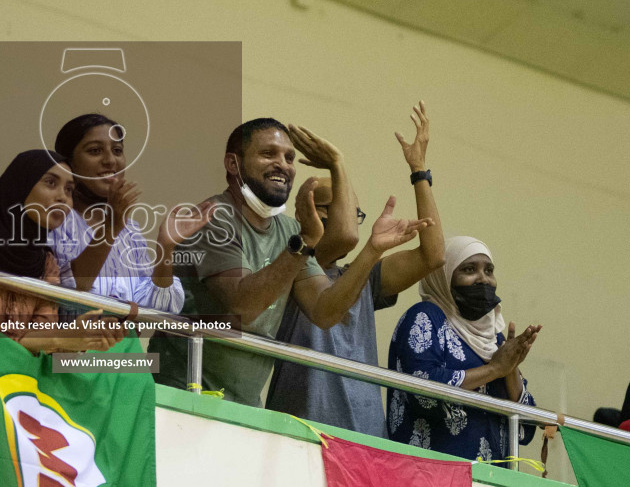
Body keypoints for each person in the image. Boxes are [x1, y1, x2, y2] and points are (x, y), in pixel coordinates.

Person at [155, 118, 430, 406]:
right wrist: (305, 242)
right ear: (233, 164)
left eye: (289, 157)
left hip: (244, 404)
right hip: (181, 394)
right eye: (268, 154)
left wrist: (373, 249)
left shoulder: (288, 231)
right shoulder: (214, 217)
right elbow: (243, 306)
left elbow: (325, 310)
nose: (283, 165)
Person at [267, 102, 446, 435]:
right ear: (307, 213)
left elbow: (433, 256)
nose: (350, 218)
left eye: (353, 212)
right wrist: (338, 164)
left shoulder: (363, 276)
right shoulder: (292, 265)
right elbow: (346, 236)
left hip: (364, 435)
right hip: (300, 429)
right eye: (334, 207)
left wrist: (419, 172)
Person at [0, 149, 121, 355]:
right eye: (51, 183)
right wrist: (61, 337)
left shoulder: (46, 262)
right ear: (20, 186)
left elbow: (41, 338)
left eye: (69, 190)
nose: (63, 197)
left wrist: (74, 339)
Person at [386, 236, 540, 464]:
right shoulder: (426, 316)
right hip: (429, 475)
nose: (484, 279)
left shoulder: (494, 336)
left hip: (494, 483)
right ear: (444, 277)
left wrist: (510, 368)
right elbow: (422, 390)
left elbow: (525, 429)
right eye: (469, 269)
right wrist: (495, 369)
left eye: (489, 270)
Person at [48, 112, 194, 313]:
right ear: (69, 163)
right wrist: (113, 225)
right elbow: (70, 293)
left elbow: (159, 307)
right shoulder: (54, 218)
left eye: (117, 150)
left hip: (123, 344)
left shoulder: (129, 228)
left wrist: (165, 248)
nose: (110, 161)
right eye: (95, 151)